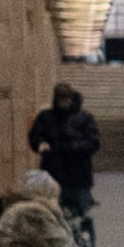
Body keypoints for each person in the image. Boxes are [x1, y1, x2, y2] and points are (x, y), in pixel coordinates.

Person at [26, 85, 101, 216]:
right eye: (61, 99)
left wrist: (71, 147)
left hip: (78, 175)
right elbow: (35, 136)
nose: (63, 103)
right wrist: (40, 143)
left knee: (79, 215)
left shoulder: (84, 118)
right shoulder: (46, 117)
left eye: (66, 99)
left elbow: (93, 142)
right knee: (53, 214)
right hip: (53, 173)